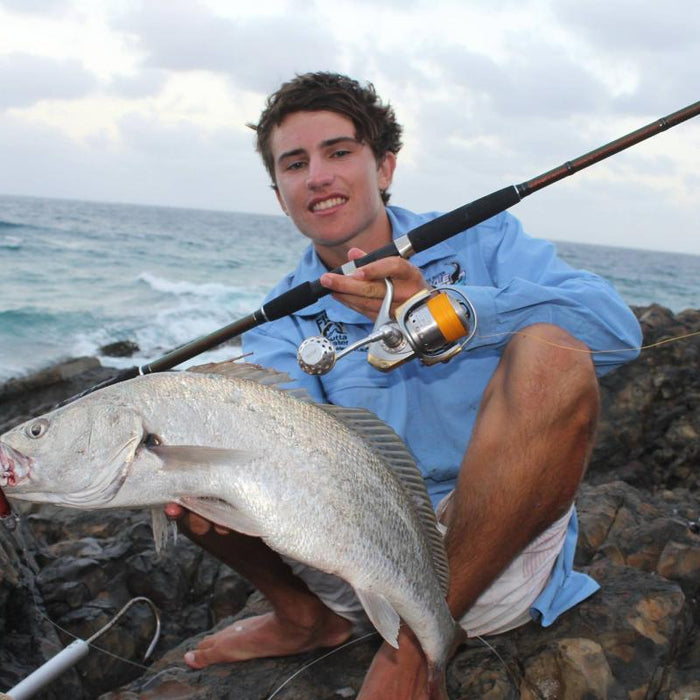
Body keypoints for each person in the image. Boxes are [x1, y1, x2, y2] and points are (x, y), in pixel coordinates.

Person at [166, 72, 642, 698]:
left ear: (384, 166)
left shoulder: (485, 237)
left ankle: (419, 648)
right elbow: (294, 462)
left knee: (553, 353)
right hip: (360, 556)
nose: (318, 176)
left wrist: (447, 309)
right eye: (295, 164)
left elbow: (615, 330)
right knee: (181, 448)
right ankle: (305, 615)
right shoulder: (279, 320)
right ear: (281, 195)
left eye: (339, 152)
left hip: (496, 549)